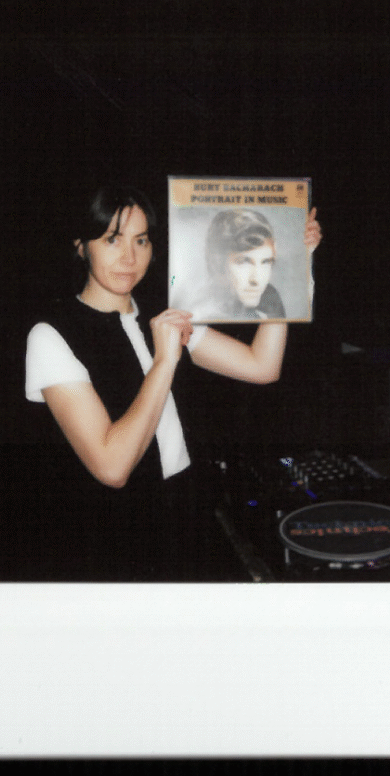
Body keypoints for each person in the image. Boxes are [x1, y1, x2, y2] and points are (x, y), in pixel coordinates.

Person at [25, 184, 322, 581]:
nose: (130, 257)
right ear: (82, 246)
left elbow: (261, 366)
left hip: (187, 514)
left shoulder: (164, 315)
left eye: (141, 240)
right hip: (112, 538)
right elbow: (112, 466)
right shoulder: (50, 335)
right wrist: (164, 362)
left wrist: (293, 273)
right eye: (112, 240)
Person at [189, 209, 289, 321]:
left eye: (266, 262)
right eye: (244, 262)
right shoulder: (195, 315)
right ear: (217, 264)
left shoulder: (270, 300)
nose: (256, 280)